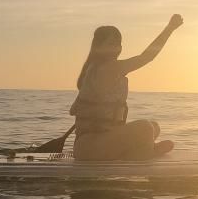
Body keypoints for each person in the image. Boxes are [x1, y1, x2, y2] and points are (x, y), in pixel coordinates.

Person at [70, 15, 183, 160]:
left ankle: (139, 150)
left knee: (154, 127)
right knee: (145, 128)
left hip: (99, 143)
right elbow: (147, 57)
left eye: (118, 43)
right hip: (91, 147)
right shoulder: (109, 68)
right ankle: (146, 153)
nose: (116, 48)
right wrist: (169, 28)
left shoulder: (95, 68)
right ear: (98, 48)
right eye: (110, 44)